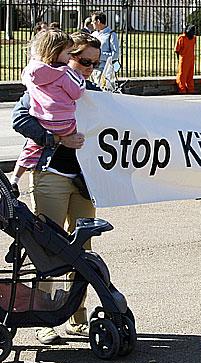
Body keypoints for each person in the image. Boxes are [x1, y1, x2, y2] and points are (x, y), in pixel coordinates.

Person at [12, 31, 101, 345]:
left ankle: (77, 318)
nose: (89, 67)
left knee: (83, 249)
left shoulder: (92, 90)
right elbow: (20, 118)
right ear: (66, 55)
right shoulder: (45, 82)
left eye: (94, 63)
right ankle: (45, 318)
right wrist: (57, 139)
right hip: (51, 173)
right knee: (48, 247)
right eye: (83, 60)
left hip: (85, 181)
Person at [10, 29, 86, 197]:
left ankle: (14, 179)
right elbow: (76, 92)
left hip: (43, 120)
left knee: (30, 148)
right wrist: (80, 78)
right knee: (82, 134)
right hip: (65, 123)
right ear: (56, 51)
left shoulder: (31, 71)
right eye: (68, 53)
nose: (69, 58)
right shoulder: (64, 73)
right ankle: (81, 175)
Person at [91, 11, 119, 77]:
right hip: (91, 69)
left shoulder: (111, 35)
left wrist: (99, 55)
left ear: (98, 21)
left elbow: (115, 54)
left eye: (93, 21)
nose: (92, 23)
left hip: (103, 70)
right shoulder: (93, 34)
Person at [175, 24, 196, 94]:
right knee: (182, 75)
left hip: (191, 59)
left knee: (190, 75)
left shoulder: (194, 38)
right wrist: (179, 59)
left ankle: (191, 89)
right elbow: (177, 50)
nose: (192, 33)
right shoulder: (181, 38)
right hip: (184, 59)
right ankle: (182, 89)